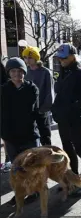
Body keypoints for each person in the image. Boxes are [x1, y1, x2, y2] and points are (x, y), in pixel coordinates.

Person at [51, 43, 81, 196]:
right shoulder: (62, 72)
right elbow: (59, 95)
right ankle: (74, 179)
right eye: (60, 58)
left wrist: (72, 108)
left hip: (75, 119)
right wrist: (56, 111)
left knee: (80, 150)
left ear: (72, 57)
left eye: (64, 58)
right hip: (63, 119)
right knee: (68, 150)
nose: (61, 61)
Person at [1, 57, 44, 204]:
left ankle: (33, 191)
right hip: (11, 136)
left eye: (20, 71)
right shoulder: (3, 90)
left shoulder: (32, 89)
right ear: (9, 73)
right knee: (16, 168)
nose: (16, 74)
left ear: (24, 73)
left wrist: (44, 134)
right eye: (13, 71)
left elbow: (36, 112)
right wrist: (4, 135)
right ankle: (20, 192)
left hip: (29, 134)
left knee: (31, 166)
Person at [23, 46, 54, 146]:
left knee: (45, 137)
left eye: (30, 57)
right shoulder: (24, 72)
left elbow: (50, 92)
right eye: (25, 57)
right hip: (29, 110)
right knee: (31, 138)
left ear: (36, 58)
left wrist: (43, 109)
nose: (27, 60)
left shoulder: (45, 72)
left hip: (42, 110)